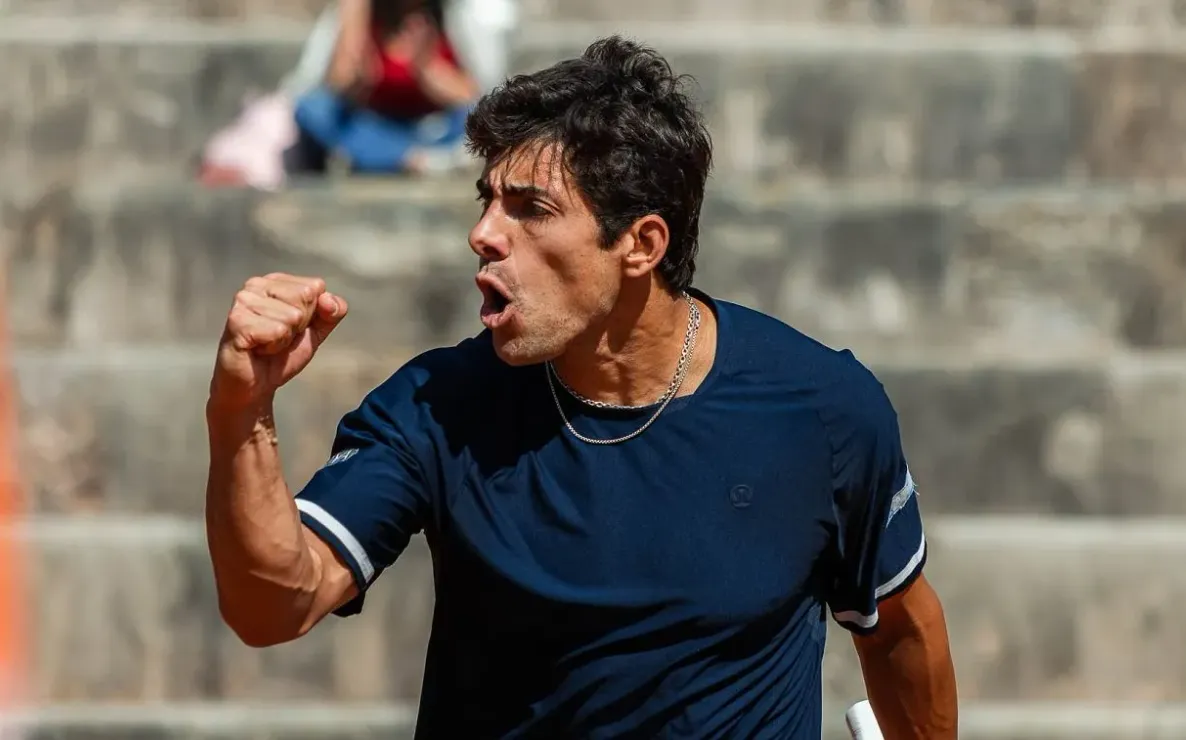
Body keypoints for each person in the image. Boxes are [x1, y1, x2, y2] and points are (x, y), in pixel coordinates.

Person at [205, 36, 958, 739]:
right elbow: (276, 603)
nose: (485, 233)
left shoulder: (823, 410)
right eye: (488, 199)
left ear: (641, 244)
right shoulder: (438, 406)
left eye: (531, 208)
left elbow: (899, 629)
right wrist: (242, 413)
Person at [286, 0, 479, 175]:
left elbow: (472, 96)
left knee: (475, 115)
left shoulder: (456, 15)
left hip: (433, 131)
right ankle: (409, 160)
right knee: (314, 108)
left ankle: (396, 159)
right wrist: (354, 17)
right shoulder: (360, 17)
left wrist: (426, 69)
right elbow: (339, 84)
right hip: (373, 128)